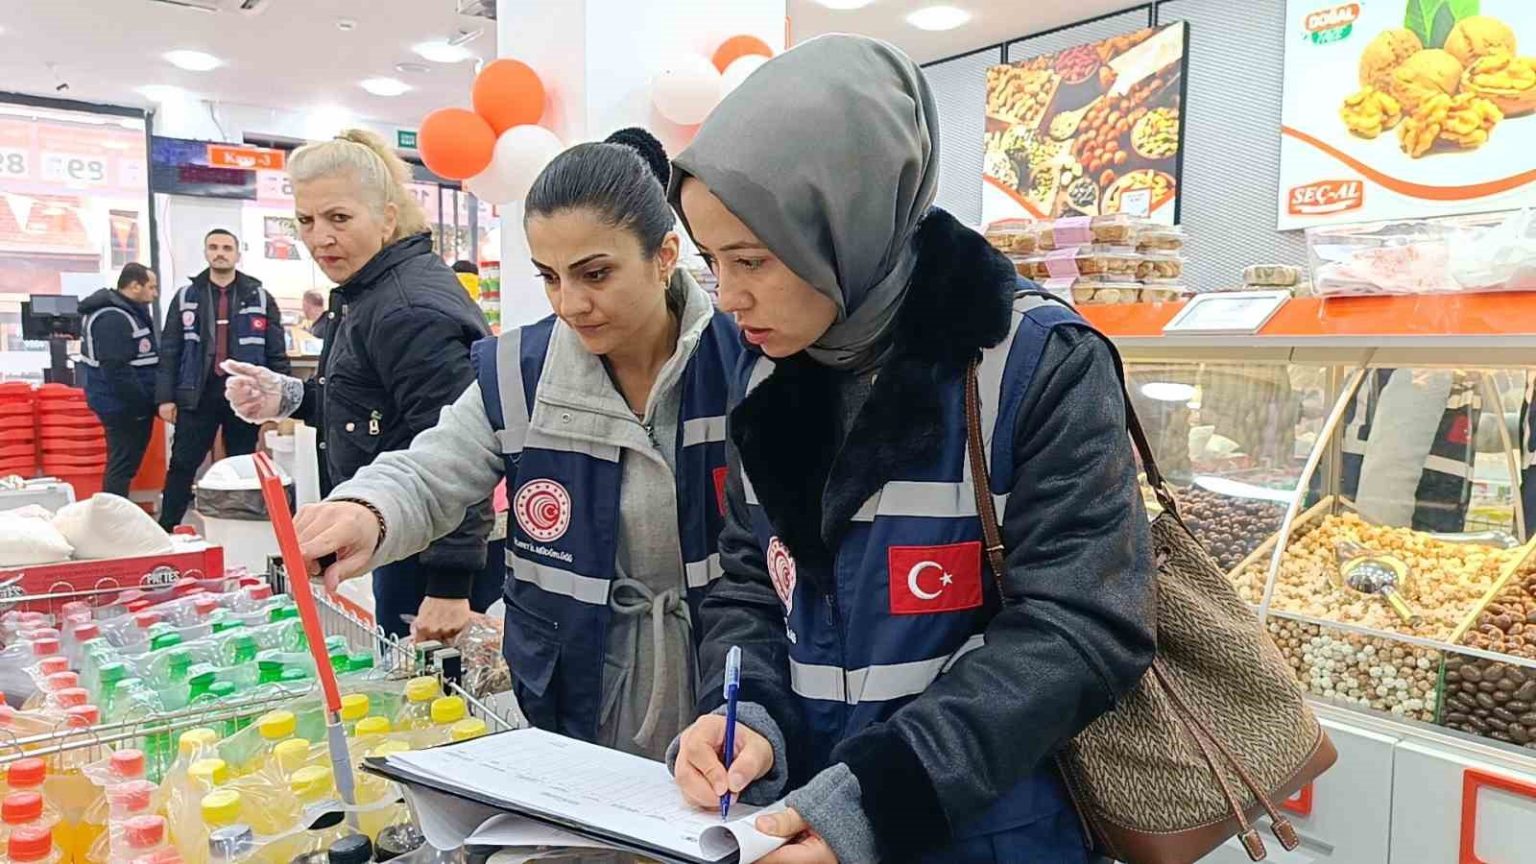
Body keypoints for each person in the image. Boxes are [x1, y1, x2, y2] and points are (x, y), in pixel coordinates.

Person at [665, 36, 1156, 864]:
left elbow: (1082, 624)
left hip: (991, 833)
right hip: (795, 824)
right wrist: (744, 714)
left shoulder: (1034, 361)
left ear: (845, 220)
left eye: (752, 260)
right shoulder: (767, 372)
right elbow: (753, 578)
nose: (730, 295)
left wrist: (876, 798)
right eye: (713, 261)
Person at [253, 128, 741, 757]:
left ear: (665, 254)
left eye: (595, 274)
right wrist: (365, 510)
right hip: (579, 683)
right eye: (550, 277)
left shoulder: (743, 364)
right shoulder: (520, 373)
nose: (571, 304)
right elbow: (432, 469)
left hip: (722, 676)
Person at [219, 130, 496, 642]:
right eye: (306, 221)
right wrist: (292, 398)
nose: (319, 238)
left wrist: (449, 585)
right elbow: (374, 406)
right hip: (396, 527)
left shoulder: (407, 309)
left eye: (339, 218)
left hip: (430, 545)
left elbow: (461, 449)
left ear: (387, 218)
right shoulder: (366, 291)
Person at [156, 229, 288, 530]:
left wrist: (279, 401)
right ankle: (166, 528)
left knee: (243, 464)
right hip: (198, 393)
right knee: (183, 463)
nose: (220, 253)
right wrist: (165, 398)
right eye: (214, 247)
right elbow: (170, 350)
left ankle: (241, 530)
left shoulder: (260, 297)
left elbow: (276, 353)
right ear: (206, 253)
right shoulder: (186, 297)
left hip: (245, 394)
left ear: (237, 254)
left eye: (227, 248)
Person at [78, 262, 160, 498]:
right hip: (122, 406)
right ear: (135, 286)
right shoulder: (112, 318)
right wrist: (141, 405)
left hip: (126, 405)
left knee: (125, 464)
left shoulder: (127, 313)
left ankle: (114, 508)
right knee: (122, 465)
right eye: (151, 287)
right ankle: (112, 510)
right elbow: (116, 370)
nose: (155, 294)